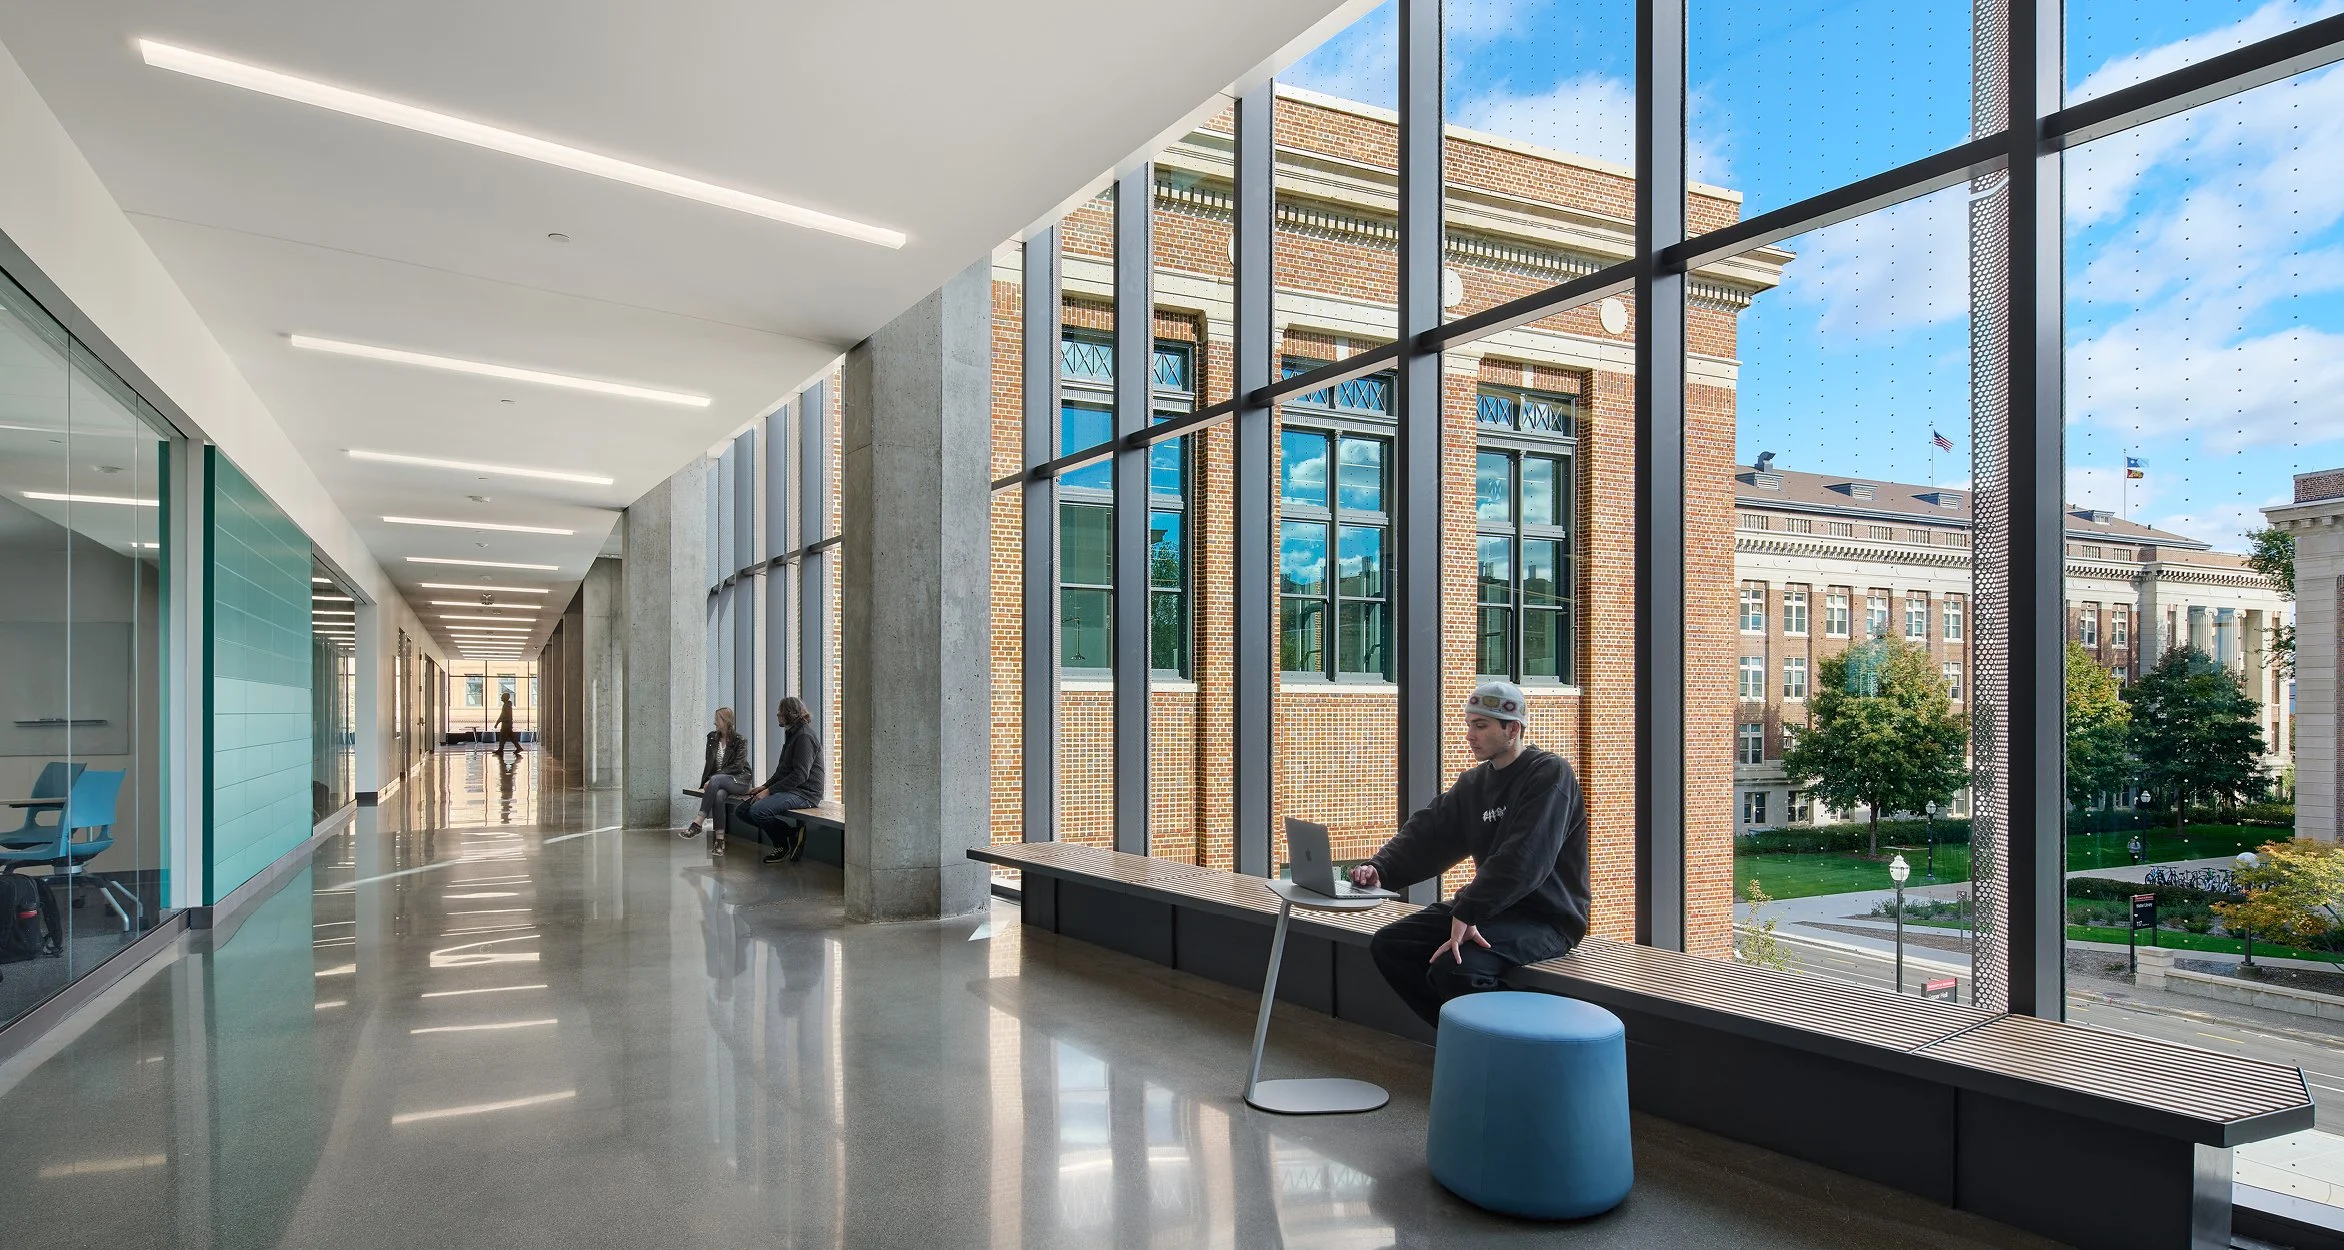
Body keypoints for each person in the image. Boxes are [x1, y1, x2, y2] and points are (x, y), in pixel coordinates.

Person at [1349, 680, 1590, 1030]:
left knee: (1457, 972)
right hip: (1489, 910)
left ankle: (1522, 1044)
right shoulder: (1475, 785)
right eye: (1469, 724)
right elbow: (1428, 833)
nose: (1469, 735)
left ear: (1513, 728)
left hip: (1546, 918)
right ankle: (1462, 1041)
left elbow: (1524, 859)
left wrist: (1470, 907)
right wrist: (1379, 868)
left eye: (1481, 726)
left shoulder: (1549, 775)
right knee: (1391, 946)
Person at [740, 697, 826, 865]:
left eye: (780, 711)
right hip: (792, 789)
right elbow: (782, 771)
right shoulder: (792, 734)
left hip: (806, 793)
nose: (777, 714)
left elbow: (800, 775)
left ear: (790, 714)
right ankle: (791, 834)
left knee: (758, 811)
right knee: (742, 811)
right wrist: (764, 786)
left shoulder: (804, 737)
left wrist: (769, 792)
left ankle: (780, 845)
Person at [683, 707, 754, 845]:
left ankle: (698, 823)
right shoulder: (712, 738)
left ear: (726, 720)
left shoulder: (740, 740)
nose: (714, 722)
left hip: (739, 781)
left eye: (717, 719)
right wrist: (711, 779)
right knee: (719, 795)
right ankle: (720, 840)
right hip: (720, 782)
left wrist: (713, 779)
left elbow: (738, 767)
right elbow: (709, 763)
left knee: (715, 780)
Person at [493, 691, 518, 757]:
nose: (501, 697)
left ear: (505, 698)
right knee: (511, 737)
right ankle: (518, 748)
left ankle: (500, 749)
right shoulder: (507, 705)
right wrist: (498, 722)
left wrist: (497, 723)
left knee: (502, 737)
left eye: (502, 696)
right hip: (507, 723)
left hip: (506, 723)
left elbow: (503, 715)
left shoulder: (506, 705)